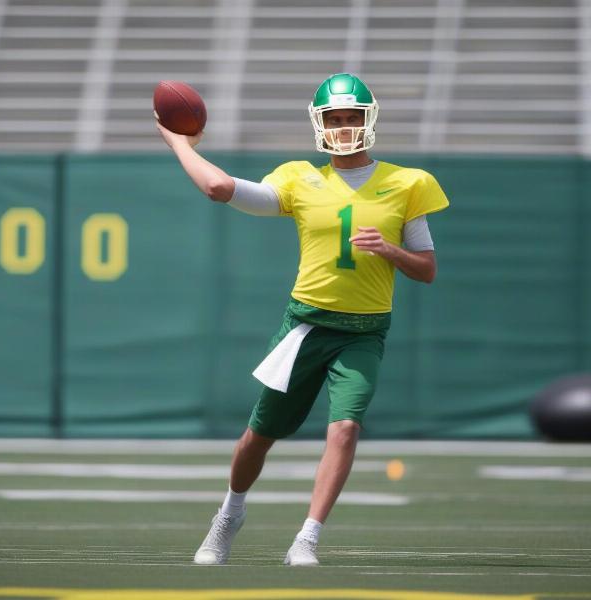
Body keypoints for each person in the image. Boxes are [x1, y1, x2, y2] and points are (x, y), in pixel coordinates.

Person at [156, 73, 449, 566]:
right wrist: (177, 141)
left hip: (364, 331)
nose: (342, 127)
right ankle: (229, 514)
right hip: (306, 325)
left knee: (346, 428)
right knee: (260, 433)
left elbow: (428, 270)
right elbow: (218, 188)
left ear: (368, 120)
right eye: (333, 118)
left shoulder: (407, 182)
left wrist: (391, 250)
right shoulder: (299, 177)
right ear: (319, 124)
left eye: (350, 117)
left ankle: (307, 538)